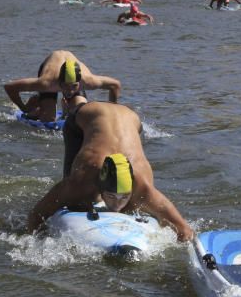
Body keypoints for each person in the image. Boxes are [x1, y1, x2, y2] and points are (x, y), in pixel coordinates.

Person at [27, 100, 194, 241]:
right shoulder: (81, 180)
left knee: (135, 204)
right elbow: (36, 215)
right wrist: (39, 239)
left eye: (124, 197)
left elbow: (184, 230)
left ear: (132, 189)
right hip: (85, 116)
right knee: (75, 201)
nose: (117, 205)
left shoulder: (144, 189)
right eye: (112, 197)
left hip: (131, 119)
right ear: (100, 186)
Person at [3, 51, 121, 124]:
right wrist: (23, 108)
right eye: (65, 87)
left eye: (74, 86)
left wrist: (113, 111)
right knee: (48, 119)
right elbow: (9, 87)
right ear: (59, 81)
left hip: (72, 73)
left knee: (80, 112)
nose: (69, 91)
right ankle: (36, 103)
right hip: (51, 70)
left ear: (80, 82)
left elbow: (115, 85)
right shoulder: (46, 82)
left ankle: (66, 109)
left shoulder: (89, 81)